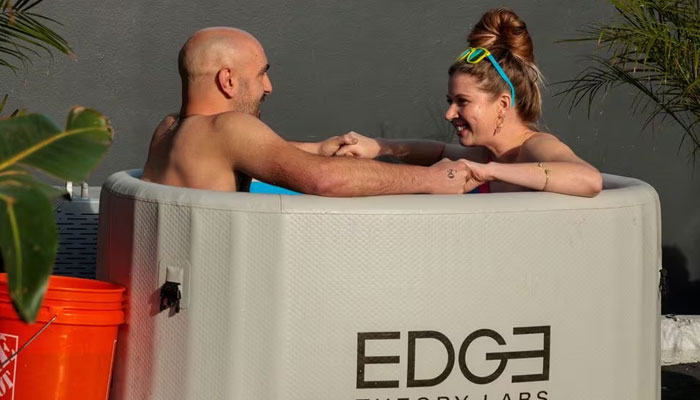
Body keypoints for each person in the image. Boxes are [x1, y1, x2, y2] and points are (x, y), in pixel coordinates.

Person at [141, 27, 478, 196]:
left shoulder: (169, 129)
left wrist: (316, 149)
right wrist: (431, 179)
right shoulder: (229, 128)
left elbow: (240, 152)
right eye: (261, 74)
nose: (268, 87)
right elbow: (326, 180)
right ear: (227, 80)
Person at [333, 8, 602, 197]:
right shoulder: (486, 154)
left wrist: (490, 172)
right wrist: (380, 146)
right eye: (451, 101)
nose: (450, 113)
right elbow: (436, 152)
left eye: (462, 101)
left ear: (503, 103)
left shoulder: (534, 147)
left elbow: (589, 179)